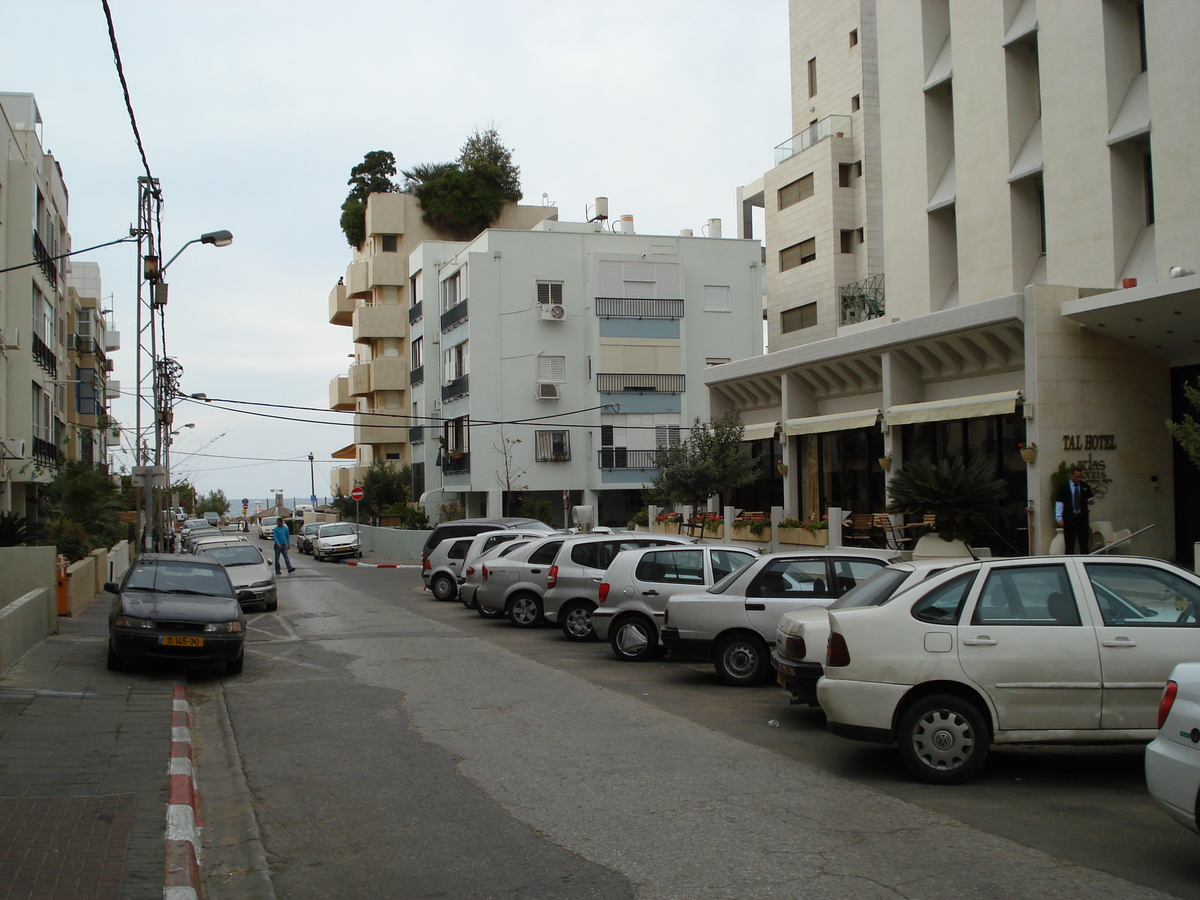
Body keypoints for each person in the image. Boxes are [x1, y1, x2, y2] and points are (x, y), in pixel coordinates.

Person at [1055, 466, 1095, 554]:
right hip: (1069, 518)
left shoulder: (1084, 486)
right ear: (1071, 476)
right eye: (1077, 477)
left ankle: (1085, 561)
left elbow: (1091, 498)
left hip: (1082, 518)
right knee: (1069, 543)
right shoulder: (1064, 486)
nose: (1079, 479)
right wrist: (1059, 517)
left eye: (1080, 477)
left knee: (1084, 543)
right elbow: (1059, 502)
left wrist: (1091, 500)